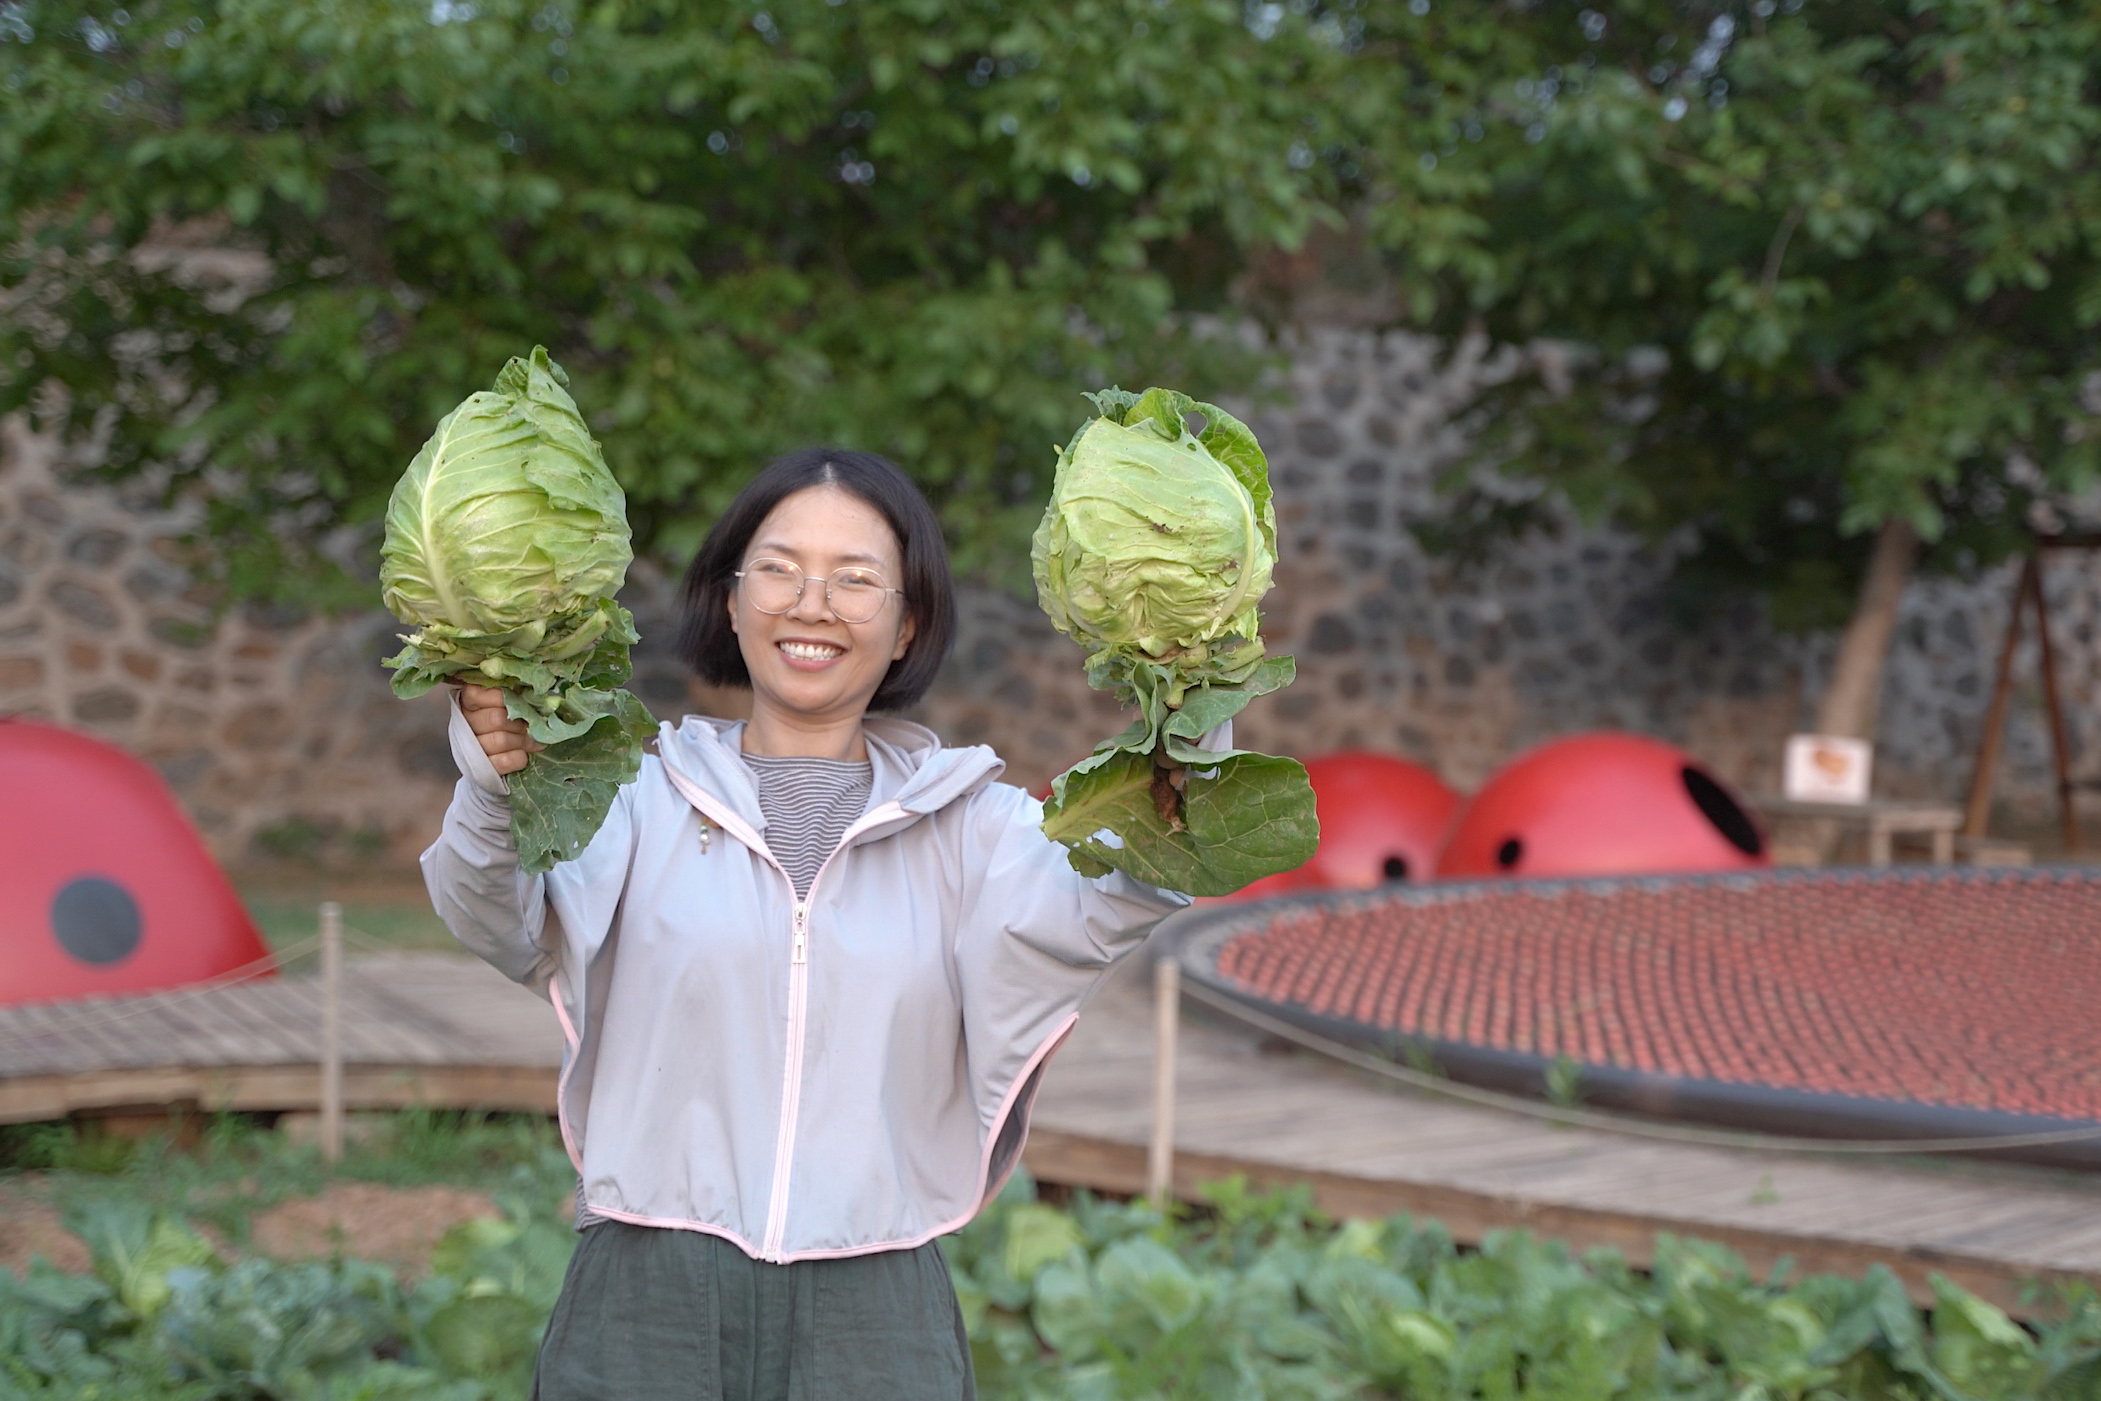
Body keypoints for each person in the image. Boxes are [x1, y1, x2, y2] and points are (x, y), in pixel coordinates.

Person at [422, 448, 1224, 1400]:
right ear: (729, 600)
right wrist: (490, 777)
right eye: (778, 568)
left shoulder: (976, 827)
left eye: (855, 579)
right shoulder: (629, 796)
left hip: (875, 1303)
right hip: (646, 1295)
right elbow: (493, 911)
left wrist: (1188, 703)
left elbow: (1132, 879)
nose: (812, 603)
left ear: (904, 623)